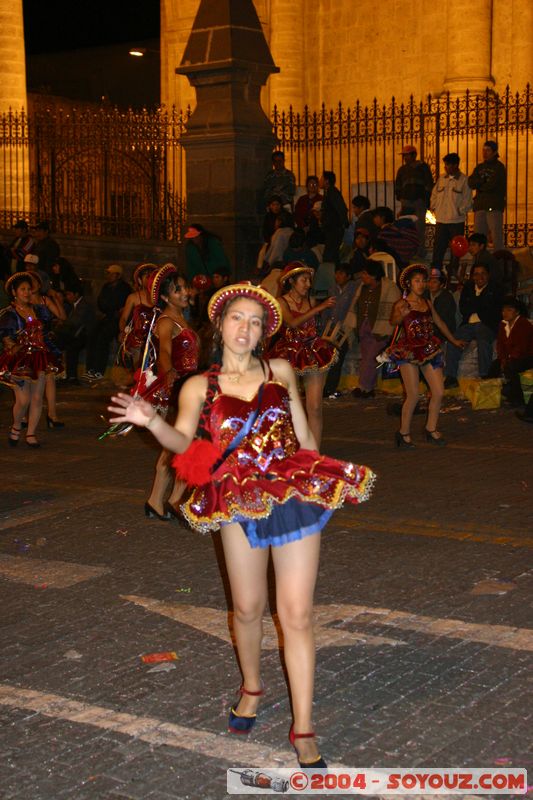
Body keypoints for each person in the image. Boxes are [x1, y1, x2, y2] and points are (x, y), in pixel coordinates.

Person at [108, 281, 375, 768]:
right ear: (221, 324)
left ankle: (304, 725)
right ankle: (252, 685)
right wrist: (150, 420)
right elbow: (184, 445)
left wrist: (319, 480)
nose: (245, 328)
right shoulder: (198, 386)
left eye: (255, 322)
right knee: (249, 609)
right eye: (238, 318)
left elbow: (304, 433)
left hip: (292, 492)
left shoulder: (281, 370)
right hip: (235, 497)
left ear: (263, 332)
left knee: (296, 614)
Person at [135, 265, 200, 521]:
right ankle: (159, 500)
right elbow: (164, 351)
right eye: (178, 290)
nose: (185, 292)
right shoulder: (166, 321)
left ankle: (170, 499)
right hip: (179, 388)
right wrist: (169, 373)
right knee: (176, 447)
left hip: (191, 386)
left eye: (184, 287)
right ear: (164, 297)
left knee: (189, 445)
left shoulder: (182, 318)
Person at [387, 264, 466, 448]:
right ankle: (403, 433)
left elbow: (439, 322)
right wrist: (402, 315)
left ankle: (431, 429)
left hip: (429, 349)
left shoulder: (427, 303)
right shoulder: (401, 303)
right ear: (408, 283)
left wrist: (453, 341)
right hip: (409, 351)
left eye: (424, 281)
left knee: (438, 391)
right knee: (413, 395)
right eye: (417, 281)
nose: (421, 284)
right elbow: (393, 322)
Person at [267, 263, 337, 446]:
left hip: (312, 352)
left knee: (314, 407)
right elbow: (291, 323)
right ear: (291, 281)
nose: (307, 284)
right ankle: (288, 447)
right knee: (288, 405)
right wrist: (319, 308)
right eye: (303, 280)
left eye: (309, 280)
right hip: (288, 354)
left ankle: (314, 454)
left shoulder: (311, 300)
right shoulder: (281, 302)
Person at [0, 272, 63, 447]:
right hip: (20, 360)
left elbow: (49, 328)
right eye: (23, 289)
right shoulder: (9, 314)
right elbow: (6, 339)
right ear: (14, 291)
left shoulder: (39, 310)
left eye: (29, 289)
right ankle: (15, 426)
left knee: (37, 398)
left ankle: (31, 434)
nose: (27, 292)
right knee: (23, 400)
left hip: (39, 357)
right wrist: (16, 344)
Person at [444, 264, 503, 388]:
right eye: (476, 274)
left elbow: (494, 310)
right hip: (468, 323)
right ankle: (451, 376)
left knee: (483, 341)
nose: (479, 277)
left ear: (488, 275)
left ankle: (485, 374)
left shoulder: (496, 288)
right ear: (472, 276)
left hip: (487, 323)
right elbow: (464, 308)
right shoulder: (468, 287)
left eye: (483, 273)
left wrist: (475, 304)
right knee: (453, 340)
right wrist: (480, 304)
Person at [350, 259, 401, 398]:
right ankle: (369, 389)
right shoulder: (362, 287)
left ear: (373, 275)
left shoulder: (389, 288)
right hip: (364, 328)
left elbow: (394, 310)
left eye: (365, 274)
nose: (363, 277)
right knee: (367, 358)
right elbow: (356, 306)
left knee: (370, 359)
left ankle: (362, 387)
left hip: (381, 329)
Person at [29, 272, 67, 428]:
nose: (31, 286)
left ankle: (52, 415)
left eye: (34, 282)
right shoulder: (24, 302)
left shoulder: (45, 300)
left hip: (46, 343)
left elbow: (62, 317)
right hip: (30, 344)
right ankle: (27, 416)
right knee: (32, 379)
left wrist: (57, 300)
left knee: (50, 378)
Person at [83, 264, 131, 381]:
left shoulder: (125, 288)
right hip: (108, 317)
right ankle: (90, 369)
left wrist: (114, 309)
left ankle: (99, 370)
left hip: (118, 320)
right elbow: (101, 303)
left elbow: (122, 308)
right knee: (92, 334)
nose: (108, 276)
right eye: (108, 273)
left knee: (102, 338)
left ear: (117, 275)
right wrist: (110, 308)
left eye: (111, 273)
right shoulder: (106, 287)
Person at [430, 153, 472, 275]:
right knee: (439, 246)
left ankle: (453, 268)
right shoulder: (441, 179)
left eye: (448, 165)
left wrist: (460, 211)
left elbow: (468, 199)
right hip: (441, 219)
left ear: (455, 165)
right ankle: (436, 268)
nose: (446, 167)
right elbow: (434, 195)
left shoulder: (464, 180)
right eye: (445, 165)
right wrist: (434, 207)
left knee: (456, 248)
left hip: (456, 220)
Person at [488, 297, 533, 406]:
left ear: (517, 312)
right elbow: (500, 345)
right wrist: (502, 359)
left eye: (509, 310)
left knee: (512, 366)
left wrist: (508, 360)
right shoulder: (503, 324)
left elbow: (521, 347)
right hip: (511, 356)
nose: (505, 313)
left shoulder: (523, 324)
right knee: (494, 366)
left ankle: (518, 399)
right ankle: (493, 395)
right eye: (503, 310)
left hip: (528, 356)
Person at [322, 264, 358, 398]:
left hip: (345, 330)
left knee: (337, 359)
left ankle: (330, 388)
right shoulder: (332, 289)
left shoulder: (354, 289)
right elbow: (327, 309)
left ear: (348, 276)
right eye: (337, 273)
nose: (338, 276)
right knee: (328, 359)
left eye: (342, 274)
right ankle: (324, 387)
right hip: (330, 328)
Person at [394, 145, 434, 258]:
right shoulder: (402, 170)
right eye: (404, 155)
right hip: (406, 203)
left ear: (413, 155)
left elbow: (429, 184)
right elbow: (398, 186)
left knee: (419, 228)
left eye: (406, 155)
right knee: (406, 228)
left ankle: (420, 252)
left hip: (419, 202)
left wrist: (425, 199)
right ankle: (408, 252)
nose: (405, 158)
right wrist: (401, 198)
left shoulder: (423, 167)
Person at [54, 280, 96, 384]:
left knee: (70, 346)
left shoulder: (84, 305)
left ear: (76, 294)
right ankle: (62, 374)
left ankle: (71, 376)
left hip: (85, 335)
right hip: (76, 333)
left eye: (68, 294)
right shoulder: (74, 305)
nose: (67, 297)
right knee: (57, 341)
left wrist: (62, 322)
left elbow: (75, 322)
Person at [468, 140, 506, 252]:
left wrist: (479, 184)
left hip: (493, 205)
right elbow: (470, 182)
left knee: (496, 236)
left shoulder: (499, 167)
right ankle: (480, 261)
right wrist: (482, 182)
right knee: (479, 237)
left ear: (494, 152)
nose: (484, 153)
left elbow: (492, 185)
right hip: (480, 205)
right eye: (483, 150)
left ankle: (500, 260)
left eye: (488, 150)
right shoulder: (479, 167)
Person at [117, 263, 157, 371]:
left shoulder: (160, 297)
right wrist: (123, 332)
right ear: (139, 281)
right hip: (138, 338)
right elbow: (123, 318)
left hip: (156, 337)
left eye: (151, 276)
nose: (149, 279)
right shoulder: (133, 297)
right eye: (146, 276)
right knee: (140, 370)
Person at [319, 171, 348, 266]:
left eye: (321, 179)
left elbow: (341, 208)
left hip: (334, 229)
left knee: (330, 255)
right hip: (332, 228)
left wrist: (344, 223)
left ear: (326, 181)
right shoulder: (329, 192)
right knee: (333, 255)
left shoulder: (332, 192)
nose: (320, 181)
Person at [427, 268, 457, 342]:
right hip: (428, 330)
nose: (431, 284)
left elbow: (441, 321)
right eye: (429, 281)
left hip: (443, 333)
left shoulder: (447, 298)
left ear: (441, 285)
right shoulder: (425, 294)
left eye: (435, 282)